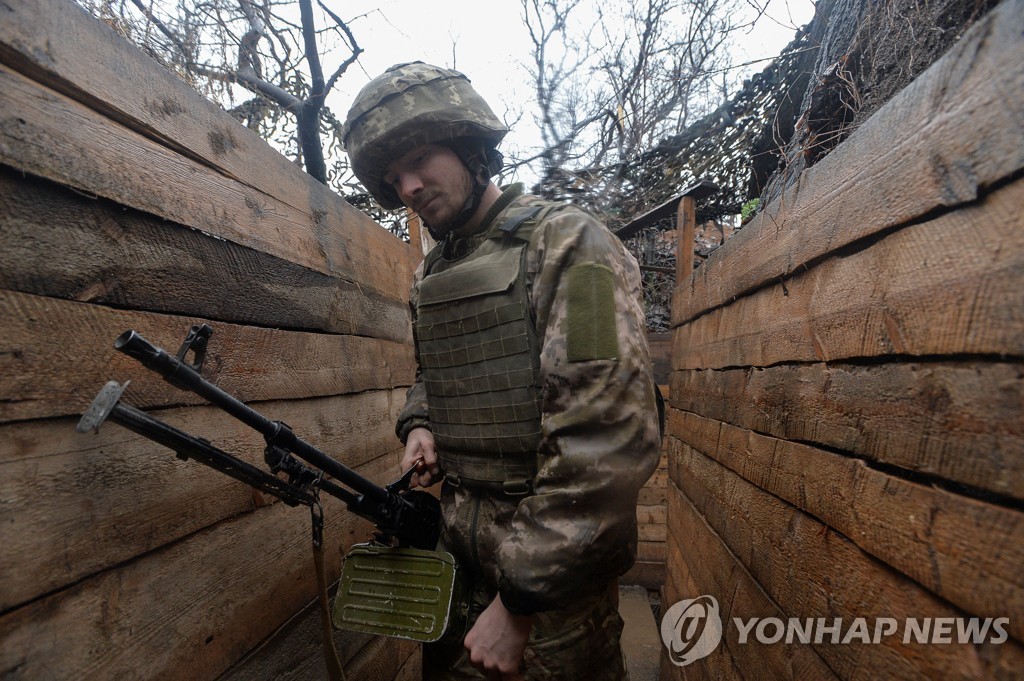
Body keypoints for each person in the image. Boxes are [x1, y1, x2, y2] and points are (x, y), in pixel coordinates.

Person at [342, 62, 661, 681]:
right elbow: (432, 374)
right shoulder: (433, 274)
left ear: (469, 145)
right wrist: (421, 425)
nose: (408, 185)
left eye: (419, 158)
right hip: (454, 566)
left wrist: (519, 601)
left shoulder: (567, 244)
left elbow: (608, 436)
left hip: (550, 592)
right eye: (391, 176)